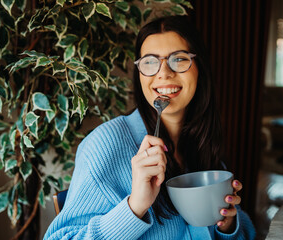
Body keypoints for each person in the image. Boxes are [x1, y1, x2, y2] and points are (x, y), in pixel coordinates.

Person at [44, 16, 256, 240]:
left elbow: (243, 235)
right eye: (149, 62)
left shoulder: (202, 144)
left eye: (179, 59)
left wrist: (227, 226)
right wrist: (135, 206)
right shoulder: (105, 145)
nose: (164, 73)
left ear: (199, 69)